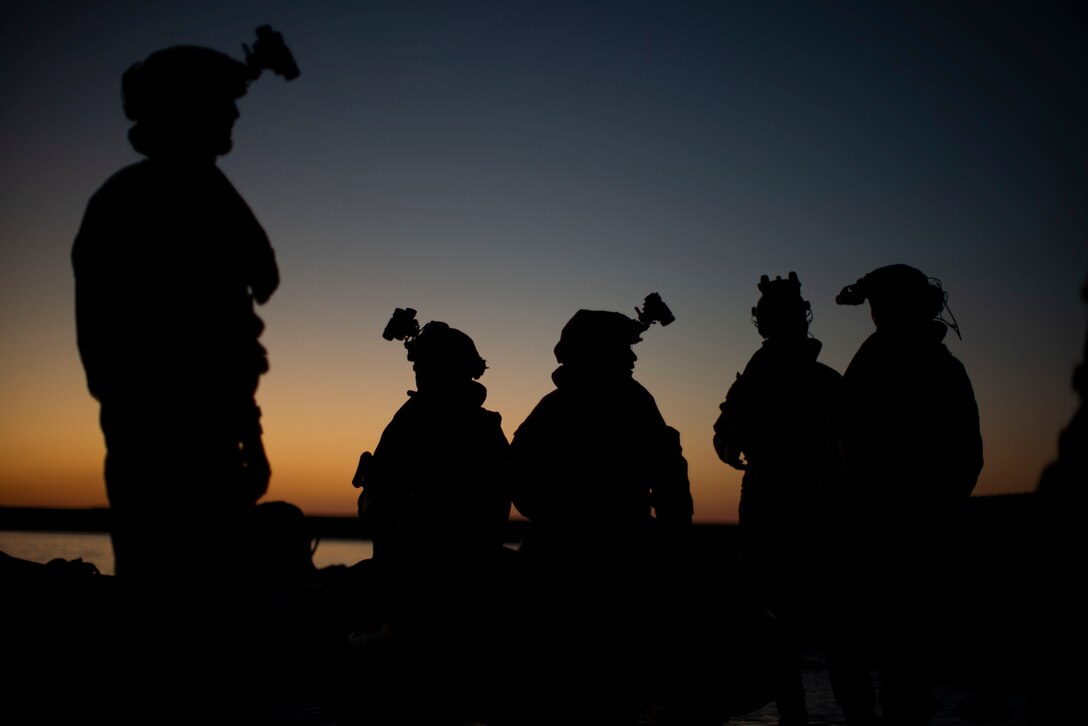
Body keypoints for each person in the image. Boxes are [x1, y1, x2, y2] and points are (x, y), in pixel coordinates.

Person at [71, 34, 298, 723]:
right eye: (221, 109)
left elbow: (243, 313)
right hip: (163, 444)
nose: (233, 121)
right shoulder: (139, 202)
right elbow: (227, 314)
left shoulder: (198, 193)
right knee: (170, 625)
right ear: (186, 114)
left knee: (206, 626)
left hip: (205, 440)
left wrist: (246, 434)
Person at [509, 295, 695, 724]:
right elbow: (521, 477)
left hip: (620, 545)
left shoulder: (630, 400)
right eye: (622, 348)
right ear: (596, 352)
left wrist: (673, 540)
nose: (632, 357)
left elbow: (668, 474)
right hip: (574, 548)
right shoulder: (567, 408)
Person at [823, 264, 983, 726]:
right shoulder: (871, 360)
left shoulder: (939, 369)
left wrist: (924, 519)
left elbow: (964, 459)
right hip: (856, 527)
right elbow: (836, 441)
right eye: (875, 304)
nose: (876, 312)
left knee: (901, 657)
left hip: (908, 535)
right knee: (846, 639)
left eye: (884, 303)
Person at [345, 308, 513, 725]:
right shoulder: (424, 421)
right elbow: (374, 502)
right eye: (419, 365)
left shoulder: (458, 426)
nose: (420, 373)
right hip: (417, 573)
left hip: (448, 578)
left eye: (427, 365)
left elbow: (491, 507)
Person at [713, 272, 842, 726]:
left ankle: (848, 712)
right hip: (766, 501)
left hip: (815, 505)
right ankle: (796, 714)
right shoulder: (752, 379)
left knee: (829, 617)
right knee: (776, 619)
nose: (770, 323)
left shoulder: (827, 381)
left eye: (778, 314)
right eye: (766, 315)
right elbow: (724, 430)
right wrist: (730, 448)